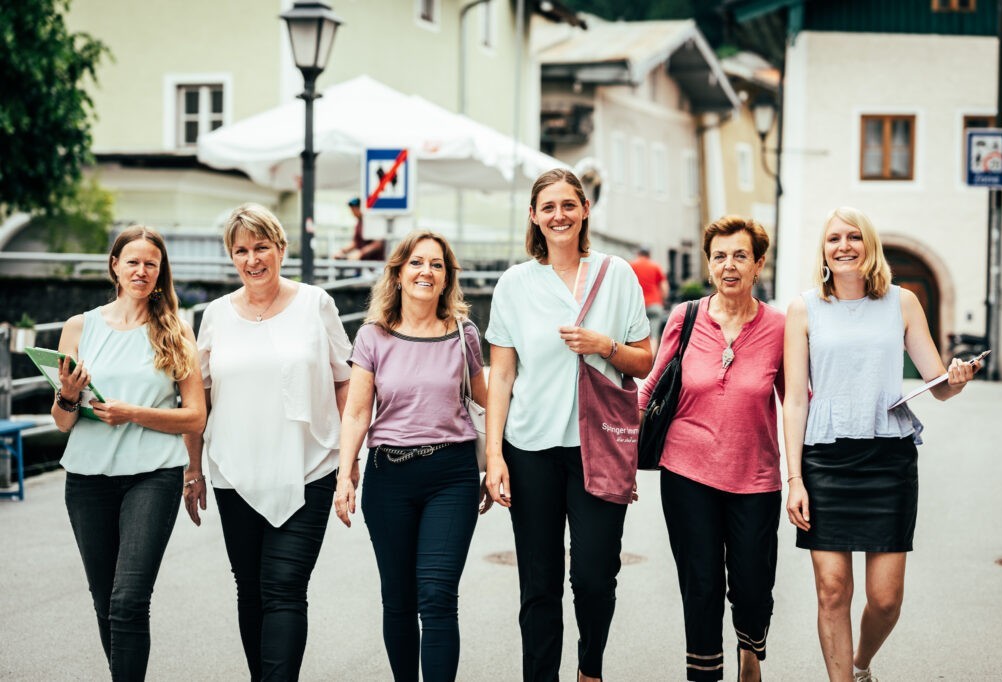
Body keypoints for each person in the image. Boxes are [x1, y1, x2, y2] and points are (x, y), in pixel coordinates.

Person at [782, 207, 980, 682]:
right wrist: (794, 479)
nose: (844, 246)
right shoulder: (804, 308)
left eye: (854, 237)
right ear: (824, 250)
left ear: (870, 246)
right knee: (832, 590)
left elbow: (937, 384)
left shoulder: (903, 302)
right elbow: (793, 401)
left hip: (887, 459)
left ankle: (860, 663)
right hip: (825, 459)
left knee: (886, 601)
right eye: (834, 238)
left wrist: (956, 378)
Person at [485, 168, 653, 682]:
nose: (558, 215)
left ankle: (589, 670)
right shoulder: (514, 284)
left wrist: (604, 346)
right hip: (530, 449)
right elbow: (502, 376)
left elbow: (645, 362)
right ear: (534, 217)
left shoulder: (617, 274)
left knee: (596, 576)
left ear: (584, 210)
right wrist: (494, 456)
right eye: (547, 207)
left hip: (597, 446)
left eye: (567, 205)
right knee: (538, 583)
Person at [185, 203, 352, 681]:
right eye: (242, 250)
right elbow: (202, 397)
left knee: (283, 587)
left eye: (262, 247)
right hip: (234, 471)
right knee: (250, 589)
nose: (253, 258)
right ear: (231, 257)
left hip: (309, 467)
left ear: (281, 249)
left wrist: (347, 459)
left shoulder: (316, 303)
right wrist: (193, 469)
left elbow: (346, 381)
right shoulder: (215, 315)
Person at [335, 230, 490, 682]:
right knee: (398, 598)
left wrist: (498, 460)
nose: (427, 271)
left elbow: (489, 400)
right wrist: (346, 474)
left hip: (451, 474)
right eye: (417, 263)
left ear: (446, 279)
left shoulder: (464, 335)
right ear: (399, 273)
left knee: (438, 595)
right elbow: (358, 410)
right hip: (389, 477)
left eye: (437, 265)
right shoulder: (372, 336)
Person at [53, 225, 206, 680]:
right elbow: (62, 421)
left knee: (128, 600)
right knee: (106, 603)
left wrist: (133, 413)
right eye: (133, 261)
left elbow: (195, 416)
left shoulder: (176, 331)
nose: (141, 270)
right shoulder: (79, 327)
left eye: (151, 264)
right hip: (86, 480)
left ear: (160, 274)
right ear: (115, 267)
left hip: (152, 476)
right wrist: (66, 395)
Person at [639, 216, 784, 682]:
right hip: (686, 472)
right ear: (709, 263)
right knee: (700, 584)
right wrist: (614, 453)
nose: (729, 265)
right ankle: (705, 674)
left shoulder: (780, 328)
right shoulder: (685, 317)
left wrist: (807, 475)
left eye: (740, 255)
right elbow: (651, 390)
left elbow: (802, 402)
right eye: (720, 256)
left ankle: (750, 647)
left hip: (755, 476)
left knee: (753, 585)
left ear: (758, 264)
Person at [630, 246, 669, 351]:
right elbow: (664, 287)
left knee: (634, 337)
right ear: (649, 255)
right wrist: (663, 301)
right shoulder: (655, 266)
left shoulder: (632, 265)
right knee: (653, 336)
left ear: (638, 254)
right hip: (654, 304)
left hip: (637, 306)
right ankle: (651, 364)